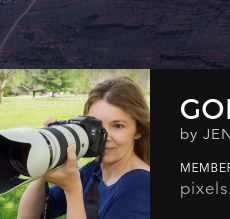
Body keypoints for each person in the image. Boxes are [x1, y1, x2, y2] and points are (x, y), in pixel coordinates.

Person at [17, 76, 150, 219]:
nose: (104, 137)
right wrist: (47, 159)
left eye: (118, 126)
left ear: (138, 130)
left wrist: (72, 190)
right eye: (96, 126)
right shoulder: (94, 171)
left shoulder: (141, 185)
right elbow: (29, 216)